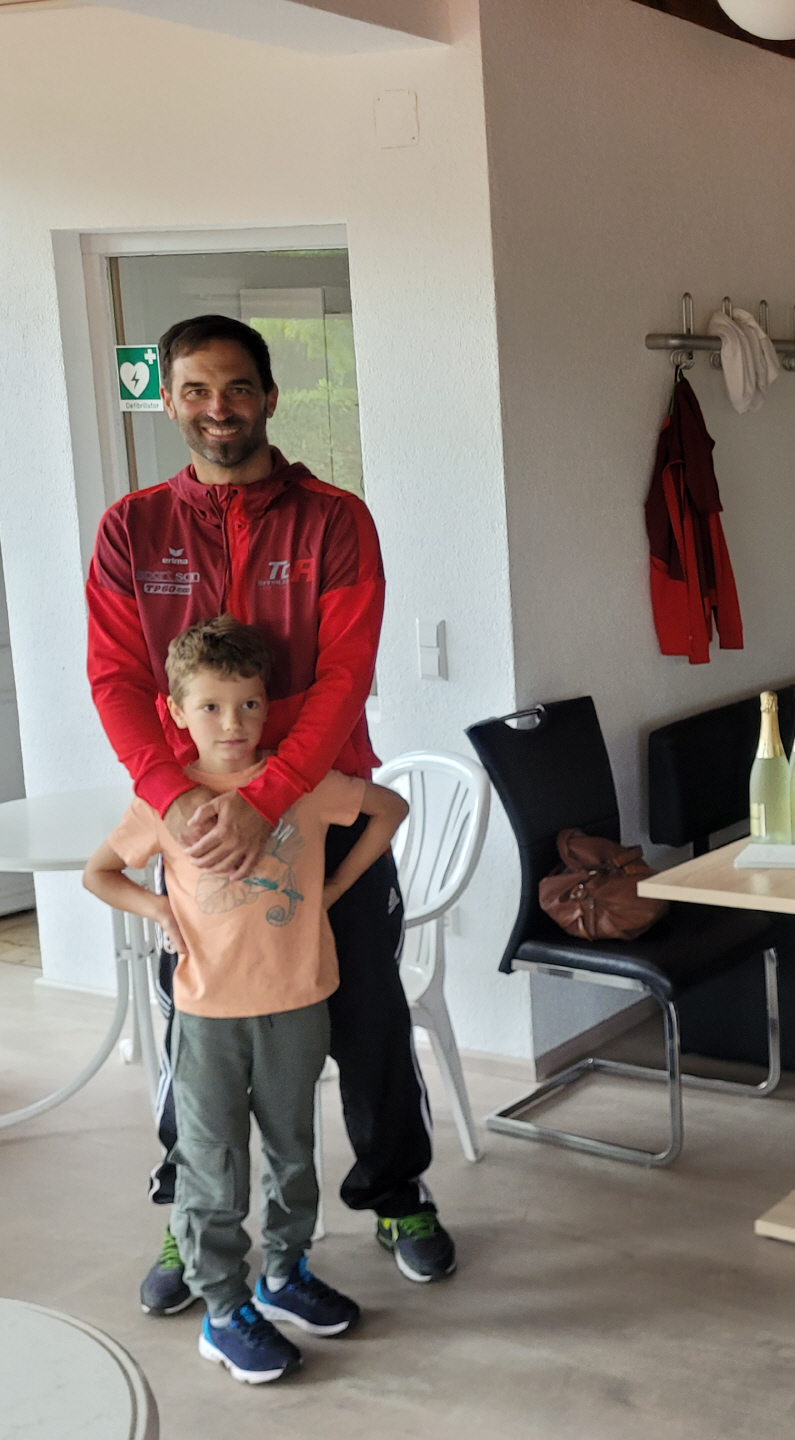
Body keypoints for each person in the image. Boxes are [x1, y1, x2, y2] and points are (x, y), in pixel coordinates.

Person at [85, 314, 456, 1312]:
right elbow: (115, 680)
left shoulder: (335, 519)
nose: (219, 409)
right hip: (196, 828)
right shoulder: (130, 529)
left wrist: (268, 796)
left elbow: (344, 677)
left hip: (322, 810)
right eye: (197, 390)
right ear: (170, 402)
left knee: (368, 1015)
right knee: (199, 1032)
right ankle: (192, 1218)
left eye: (238, 387)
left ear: (269, 397)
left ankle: (395, 1194)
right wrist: (177, 799)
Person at [84, 617, 410, 1383]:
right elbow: (99, 873)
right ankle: (224, 1309)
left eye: (250, 705)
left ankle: (285, 1275)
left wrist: (334, 887)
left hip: (298, 1003)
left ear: (269, 707)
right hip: (208, 1017)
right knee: (213, 1165)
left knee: (294, 1152)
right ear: (177, 712)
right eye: (211, 707)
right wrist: (160, 909)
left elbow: (390, 810)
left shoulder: (304, 787)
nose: (233, 724)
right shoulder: (164, 801)